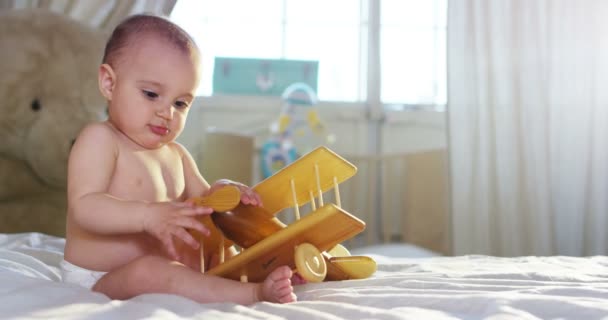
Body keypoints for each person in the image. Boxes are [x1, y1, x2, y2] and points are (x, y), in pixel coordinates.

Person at [62, 14, 296, 304]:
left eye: (180, 103)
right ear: (109, 83)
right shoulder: (100, 139)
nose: (167, 113)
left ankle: (270, 270)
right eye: (151, 94)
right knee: (150, 271)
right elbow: (85, 206)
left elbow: (206, 204)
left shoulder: (177, 155)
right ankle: (252, 293)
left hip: (170, 269)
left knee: (217, 244)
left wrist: (227, 190)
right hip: (101, 278)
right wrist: (147, 215)